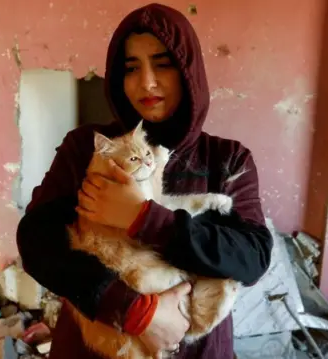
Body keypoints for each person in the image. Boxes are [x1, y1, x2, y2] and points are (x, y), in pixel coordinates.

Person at [16, 3, 273, 358]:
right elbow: (37, 242)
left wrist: (144, 218)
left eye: (163, 64)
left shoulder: (226, 159)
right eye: (131, 68)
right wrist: (133, 311)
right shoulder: (86, 148)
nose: (146, 82)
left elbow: (252, 258)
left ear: (188, 71)